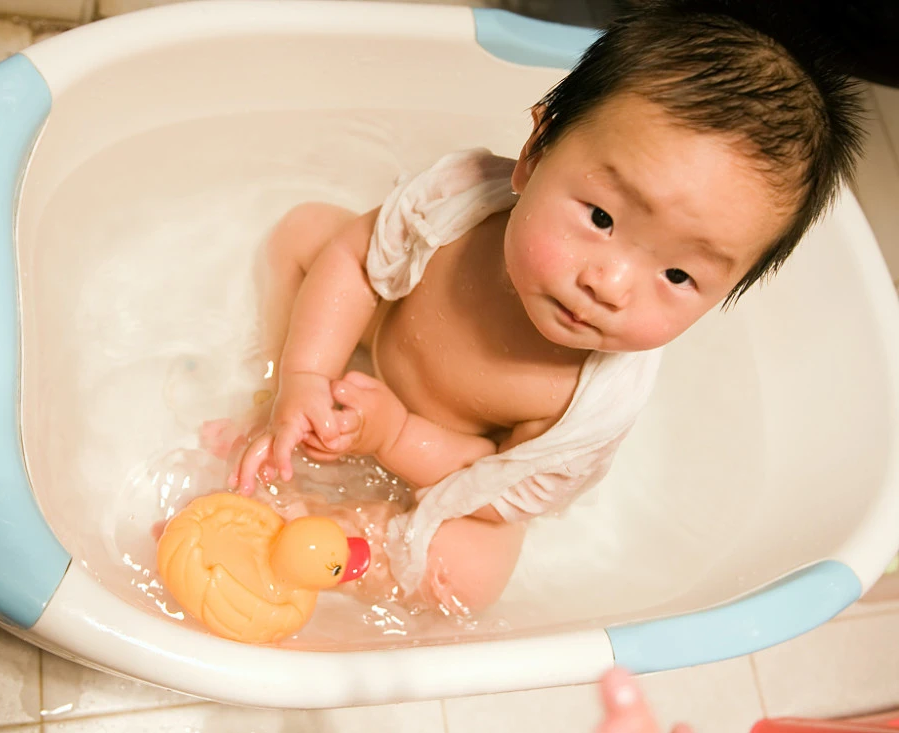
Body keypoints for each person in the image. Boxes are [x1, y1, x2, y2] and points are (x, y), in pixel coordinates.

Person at [204, 0, 865, 614]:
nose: (611, 283)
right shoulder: (458, 200)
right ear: (535, 153)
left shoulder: (595, 404)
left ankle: (336, 543)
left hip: (449, 451)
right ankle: (270, 406)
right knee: (307, 232)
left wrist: (395, 435)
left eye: (677, 273)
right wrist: (305, 376)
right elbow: (354, 259)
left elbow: (493, 493)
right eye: (602, 216)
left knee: (468, 573)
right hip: (379, 333)